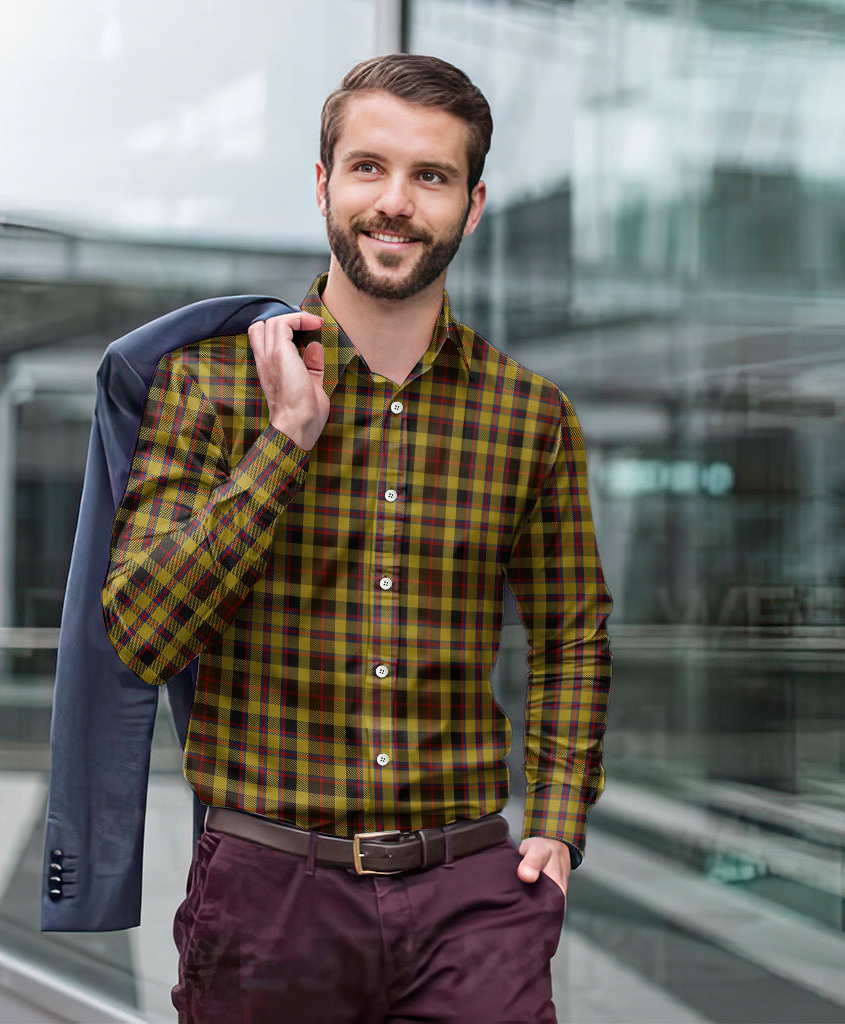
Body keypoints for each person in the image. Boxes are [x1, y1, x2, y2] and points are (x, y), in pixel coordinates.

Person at [102, 53, 612, 1024]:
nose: (396, 202)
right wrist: (287, 439)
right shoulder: (210, 388)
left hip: (472, 897)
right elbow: (140, 632)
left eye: (432, 176)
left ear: (473, 203)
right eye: (370, 167)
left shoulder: (528, 416)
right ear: (324, 182)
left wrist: (554, 819)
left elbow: (570, 634)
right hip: (268, 898)